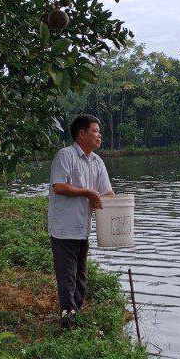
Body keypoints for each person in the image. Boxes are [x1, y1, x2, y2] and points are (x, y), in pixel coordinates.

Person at [48, 114, 114, 329]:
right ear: (81, 134)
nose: (99, 135)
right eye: (94, 130)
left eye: (98, 131)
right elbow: (58, 186)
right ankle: (67, 322)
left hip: (83, 228)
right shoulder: (65, 155)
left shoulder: (97, 161)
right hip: (64, 228)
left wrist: (120, 210)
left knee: (80, 277)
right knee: (67, 278)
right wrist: (87, 192)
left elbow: (106, 193)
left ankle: (75, 316)